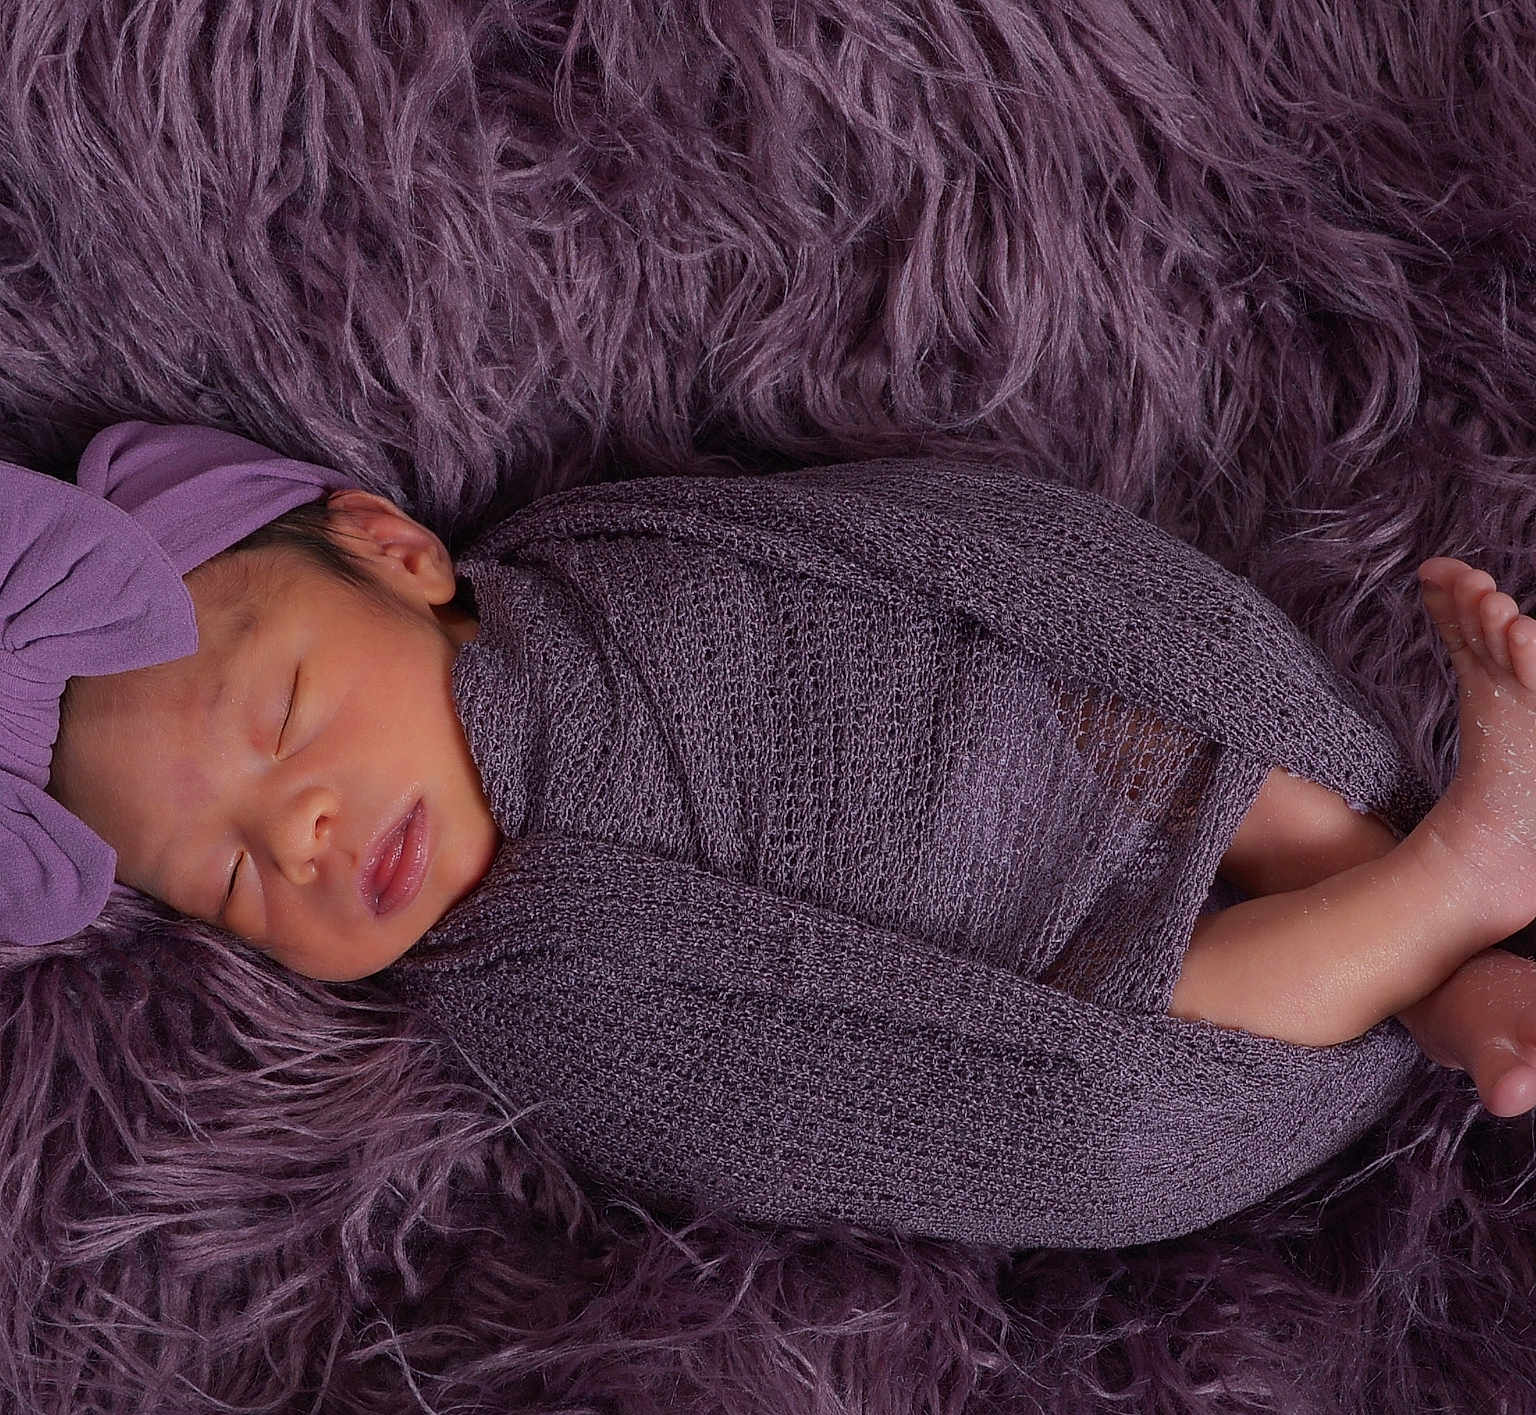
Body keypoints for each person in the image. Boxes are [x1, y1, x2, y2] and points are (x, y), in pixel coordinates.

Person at [5, 420, 1535, 1131]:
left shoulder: (601, 564)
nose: (304, 830)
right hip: (1025, 997)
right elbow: (804, 1105)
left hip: (1060, 752)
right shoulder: (518, 998)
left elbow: (873, 558)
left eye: (284, 712)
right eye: (229, 878)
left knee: (1184, 742)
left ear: (400, 553)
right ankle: (1449, 899)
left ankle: (1441, 952)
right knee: (1149, 1044)